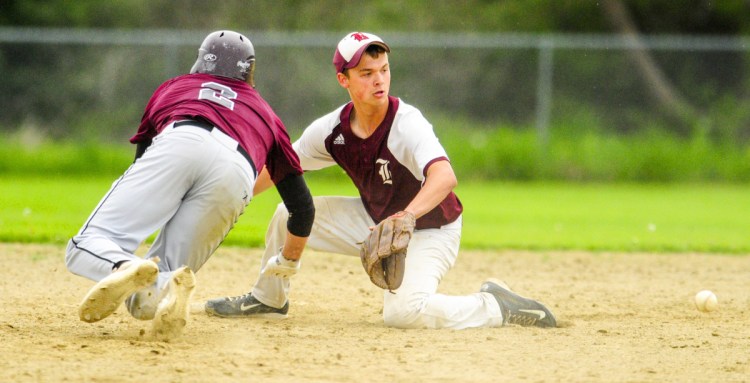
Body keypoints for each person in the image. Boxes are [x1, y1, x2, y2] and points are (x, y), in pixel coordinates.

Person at [205, 32, 556, 329]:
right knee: (287, 214)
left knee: (403, 314)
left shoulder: (406, 123)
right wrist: (230, 194)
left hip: (431, 229)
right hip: (376, 223)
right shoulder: (331, 131)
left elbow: (444, 176)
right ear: (344, 80)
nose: (379, 80)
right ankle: (269, 297)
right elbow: (279, 167)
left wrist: (408, 216)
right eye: (366, 72)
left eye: (384, 70)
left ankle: (496, 306)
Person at [65, 30, 315, 340]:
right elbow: (303, 208)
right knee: (145, 303)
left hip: (182, 138)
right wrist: (286, 264)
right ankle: (168, 285)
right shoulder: (269, 116)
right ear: (250, 72)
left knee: (83, 246)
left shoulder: (175, 87)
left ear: (200, 62)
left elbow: (142, 160)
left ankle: (125, 264)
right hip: (238, 173)